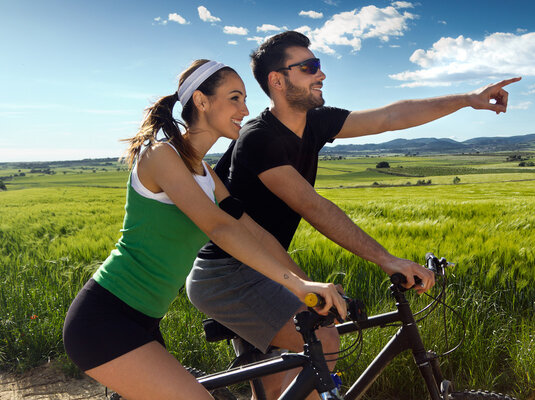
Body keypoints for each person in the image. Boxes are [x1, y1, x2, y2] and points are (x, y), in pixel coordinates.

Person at [186, 31, 520, 399]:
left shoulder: (314, 123)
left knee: (278, 386)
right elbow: (313, 206)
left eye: (320, 65)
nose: (321, 74)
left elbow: (390, 116)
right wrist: (386, 259)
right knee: (324, 339)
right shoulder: (259, 138)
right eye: (309, 67)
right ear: (277, 81)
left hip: (268, 265)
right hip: (229, 274)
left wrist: (468, 99)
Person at [62, 59, 347, 400]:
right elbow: (220, 227)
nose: (245, 108)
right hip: (104, 319)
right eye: (234, 98)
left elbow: (251, 230)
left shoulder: (206, 174)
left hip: (146, 322)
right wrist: (298, 286)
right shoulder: (161, 155)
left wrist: (306, 286)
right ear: (201, 101)